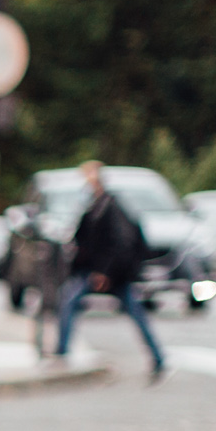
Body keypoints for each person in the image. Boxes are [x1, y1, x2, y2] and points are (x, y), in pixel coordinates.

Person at [54, 161, 167, 376]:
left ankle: (62, 352)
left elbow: (119, 242)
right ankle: (158, 356)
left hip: (108, 272)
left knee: (69, 301)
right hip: (105, 271)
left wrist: (103, 272)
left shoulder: (108, 207)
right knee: (133, 312)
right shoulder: (96, 206)